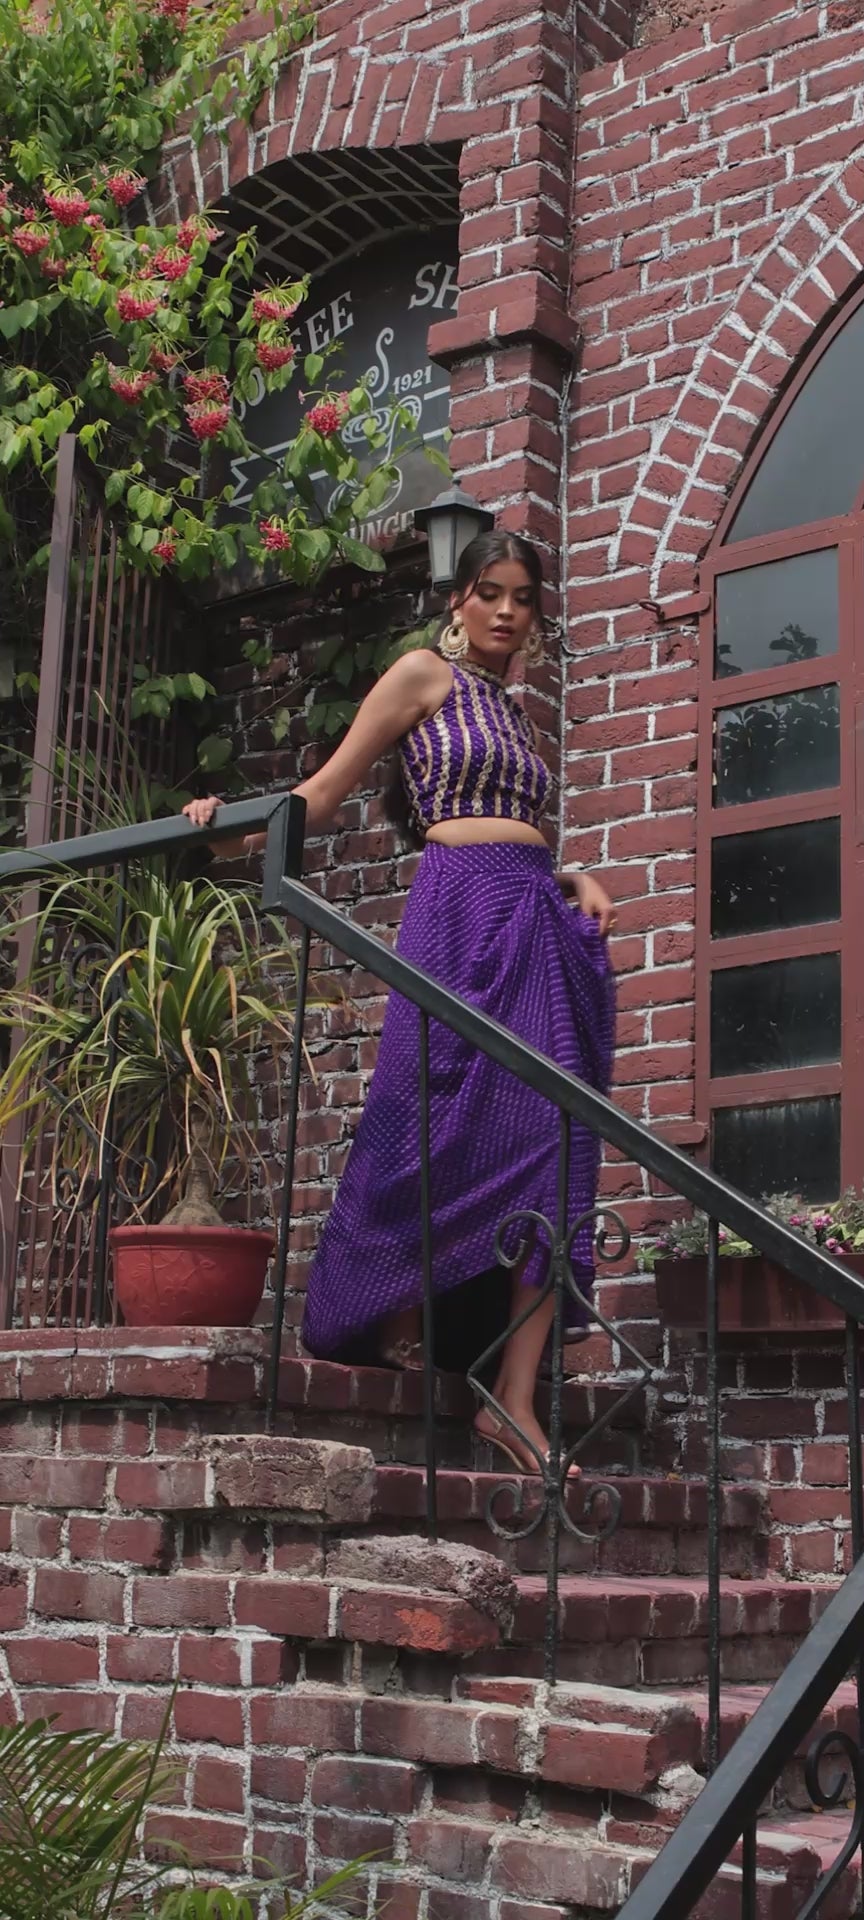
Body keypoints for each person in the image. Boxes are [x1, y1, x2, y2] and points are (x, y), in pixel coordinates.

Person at [183, 531, 616, 1475]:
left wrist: (570, 875)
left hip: (531, 919)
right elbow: (323, 794)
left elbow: (517, 833)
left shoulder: (515, 715)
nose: (507, 611)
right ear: (458, 599)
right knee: (427, 1112)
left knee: (556, 1132)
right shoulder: (424, 676)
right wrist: (226, 832)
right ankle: (392, 1306)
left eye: (524, 599)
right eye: (490, 592)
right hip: (455, 916)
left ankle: (513, 1402)